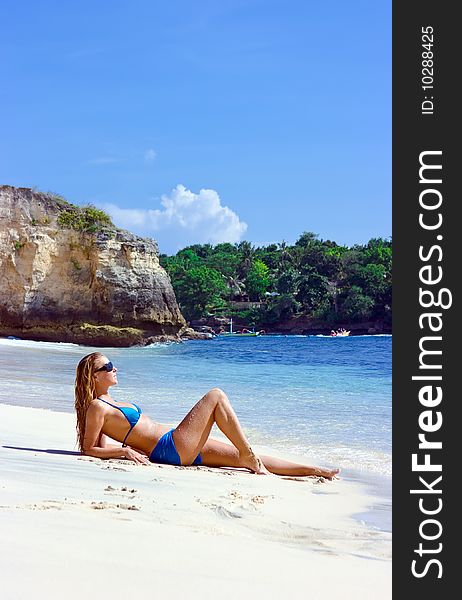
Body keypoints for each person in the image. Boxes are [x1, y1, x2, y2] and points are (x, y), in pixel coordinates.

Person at [75, 352, 340, 480]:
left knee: (242, 459)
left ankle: (316, 471)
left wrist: (125, 447)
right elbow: (89, 449)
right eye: (108, 366)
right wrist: (124, 452)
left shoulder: (107, 403)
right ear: (95, 375)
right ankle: (247, 451)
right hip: (170, 447)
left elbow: (100, 445)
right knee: (216, 396)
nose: (115, 368)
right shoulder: (97, 407)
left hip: (172, 446)